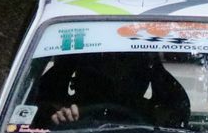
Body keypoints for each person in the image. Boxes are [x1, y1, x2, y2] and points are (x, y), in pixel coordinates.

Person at [32, 52, 191, 128]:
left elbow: (177, 120)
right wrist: (60, 122)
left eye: (131, 74)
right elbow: (32, 126)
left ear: (144, 79)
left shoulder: (151, 113)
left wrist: (157, 123)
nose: (116, 80)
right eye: (100, 76)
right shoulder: (67, 111)